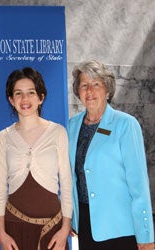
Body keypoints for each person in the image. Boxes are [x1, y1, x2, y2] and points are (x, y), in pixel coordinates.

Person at [68, 60, 154, 250]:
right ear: (78, 92)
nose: (89, 90)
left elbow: (138, 185)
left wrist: (146, 235)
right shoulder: (71, 127)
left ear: (107, 91)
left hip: (120, 228)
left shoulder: (126, 125)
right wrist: (71, 218)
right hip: (85, 226)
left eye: (96, 84)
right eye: (84, 85)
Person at [0, 67, 72, 250]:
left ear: (41, 97)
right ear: (11, 100)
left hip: (53, 230)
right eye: (18, 94)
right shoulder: (3, 137)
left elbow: (67, 183)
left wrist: (64, 229)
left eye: (31, 92)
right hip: (14, 228)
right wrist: (2, 232)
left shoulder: (58, 132)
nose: (25, 99)